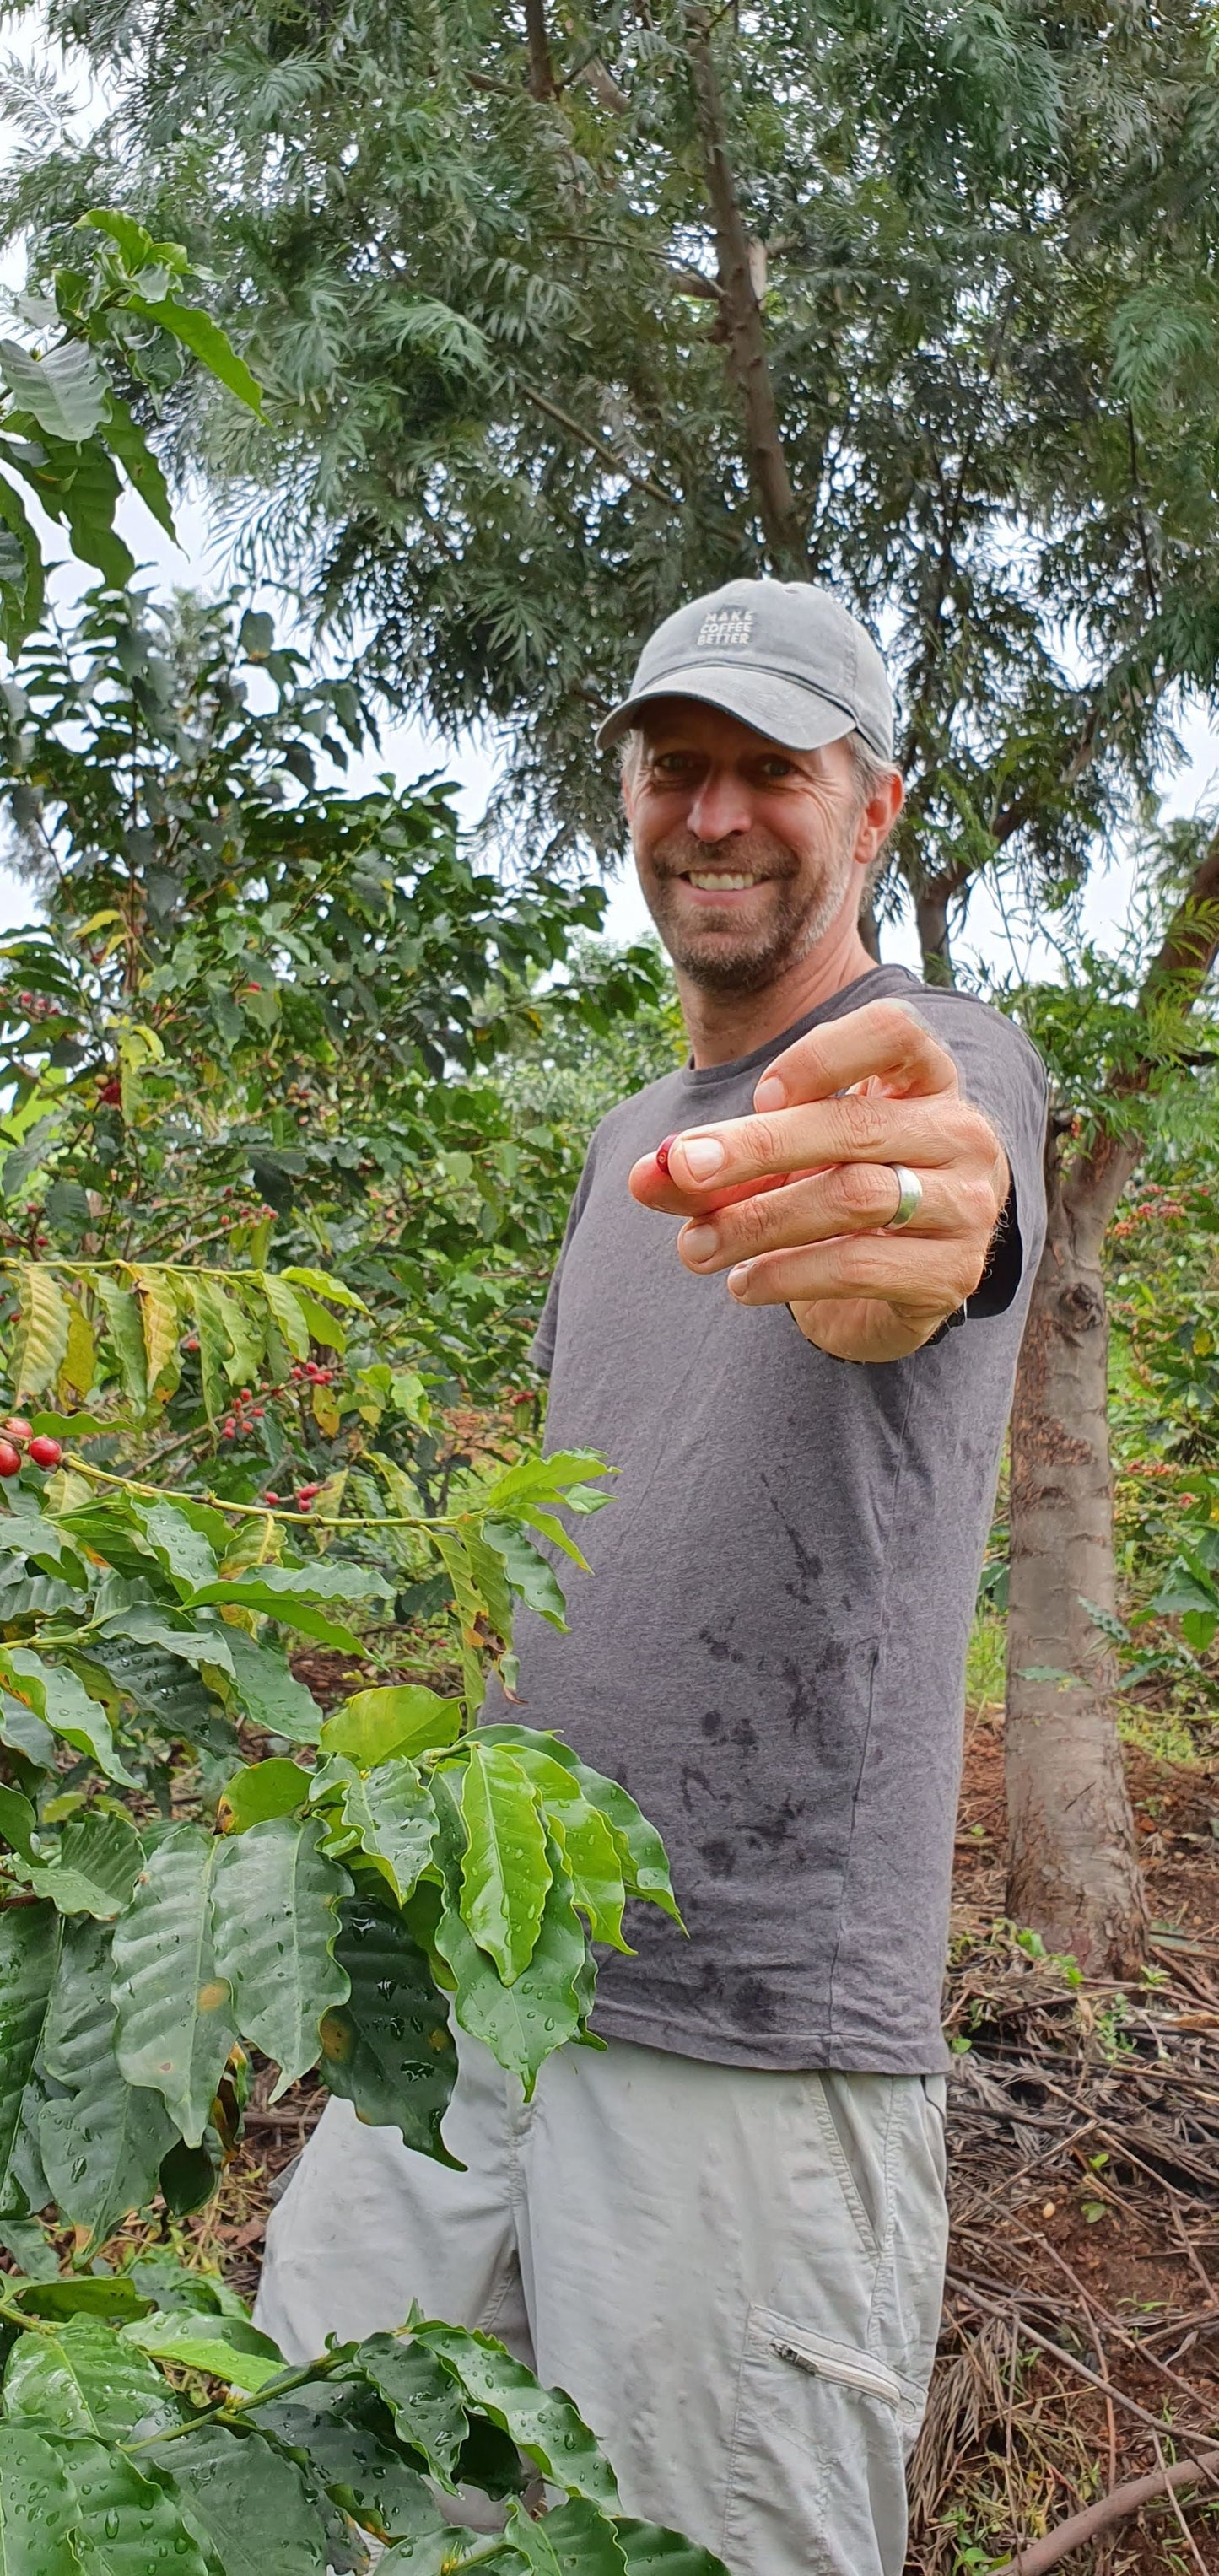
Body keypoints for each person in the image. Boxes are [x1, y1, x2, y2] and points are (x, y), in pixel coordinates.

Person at [256, 579, 1048, 2576]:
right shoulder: (625, 1145)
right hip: (479, 1994)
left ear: (873, 812)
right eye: (671, 768)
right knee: (306, 2497)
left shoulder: (939, 1062)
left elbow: (938, 1204)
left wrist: (911, 1225)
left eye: (770, 772)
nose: (711, 815)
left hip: (753, 2043)